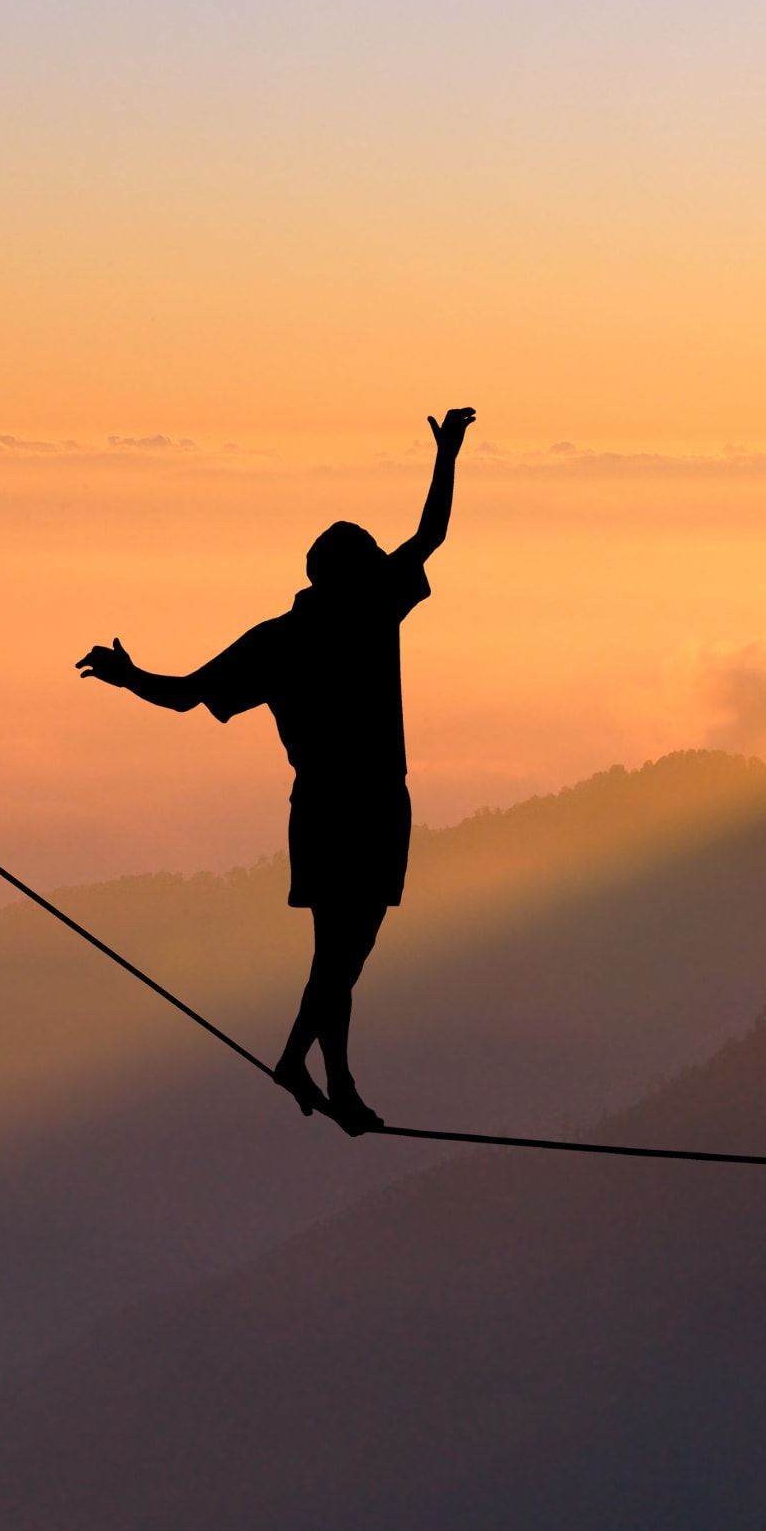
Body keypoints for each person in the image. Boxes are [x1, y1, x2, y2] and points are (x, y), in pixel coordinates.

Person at [77, 408, 476, 1135]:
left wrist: (130, 677)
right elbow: (431, 536)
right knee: (346, 955)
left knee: (340, 954)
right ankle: (310, 1065)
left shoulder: (284, 639)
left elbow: (188, 693)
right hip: (369, 805)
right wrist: (447, 454)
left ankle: (331, 1075)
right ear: (353, 575)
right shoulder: (368, 613)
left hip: (328, 807)